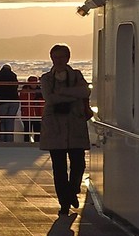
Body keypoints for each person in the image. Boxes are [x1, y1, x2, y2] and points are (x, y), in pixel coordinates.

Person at [39, 45, 92, 217]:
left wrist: (62, 91)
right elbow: (50, 97)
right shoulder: (46, 78)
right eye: (55, 58)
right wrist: (73, 94)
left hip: (75, 126)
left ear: (68, 58)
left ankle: (72, 191)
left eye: (61, 57)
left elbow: (85, 91)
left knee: (79, 164)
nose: (59, 61)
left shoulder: (76, 75)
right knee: (59, 168)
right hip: (54, 128)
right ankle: (64, 202)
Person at [0, 63, 21, 143]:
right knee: (10, 120)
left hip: (1, 101)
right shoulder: (13, 75)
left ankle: (2, 139)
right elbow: (16, 86)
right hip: (13, 100)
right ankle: (10, 140)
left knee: (3, 120)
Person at [20, 71, 43, 145]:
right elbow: (23, 100)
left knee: (37, 130)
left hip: (37, 113)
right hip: (27, 113)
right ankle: (26, 143)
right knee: (27, 129)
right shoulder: (24, 90)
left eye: (35, 82)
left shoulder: (40, 91)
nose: (34, 84)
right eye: (32, 82)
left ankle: (37, 143)